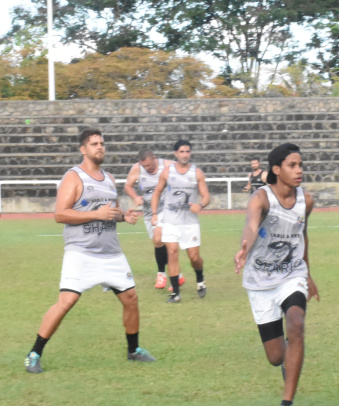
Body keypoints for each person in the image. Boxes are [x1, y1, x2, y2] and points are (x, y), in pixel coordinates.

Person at [24, 128, 156, 373]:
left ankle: (134, 350)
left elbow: (111, 212)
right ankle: (34, 353)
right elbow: (60, 214)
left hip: (111, 253)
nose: (100, 147)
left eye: (102, 143)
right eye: (94, 143)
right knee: (67, 301)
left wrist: (123, 216)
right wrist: (97, 213)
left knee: (131, 299)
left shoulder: (109, 179)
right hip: (81, 251)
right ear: (83, 149)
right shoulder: (73, 177)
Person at [234, 143, 320, 406]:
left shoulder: (305, 200)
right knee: (275, 356)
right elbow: (250, 224)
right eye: (292, 165)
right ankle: (288, 361)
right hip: (260, 281)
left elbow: (302, 234)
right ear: (276, 170)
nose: (299, 170)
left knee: (296, 323)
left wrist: (307, 274)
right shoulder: (261, 198)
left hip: (292, 275)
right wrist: (245, 247)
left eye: (300, 165)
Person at [151, 140, 210, 303]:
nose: (185, 154)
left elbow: (206, 196)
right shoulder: (167, 172)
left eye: (187, 151)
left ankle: (200, 278)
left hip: (190, 222)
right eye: (182, 152)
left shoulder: (197, 172)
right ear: (176, 153)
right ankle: (175, 293)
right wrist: (155, 213)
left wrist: (201, 204)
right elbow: (157, 192)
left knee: (194, 257)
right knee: (172, 252)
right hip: (170, 220)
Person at [124, 148, 178, 289]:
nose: (147, 168)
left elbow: (182, 172)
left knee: (158, 238)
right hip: (149, 212)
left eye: (149, 165)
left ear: (154, 158)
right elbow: (128, 186)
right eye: (144, 166)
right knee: (160, 243)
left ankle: (161, 275)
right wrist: (135, 197)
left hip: (165, 210)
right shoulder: (137, 169)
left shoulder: (167, 165)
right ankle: (177, 275)